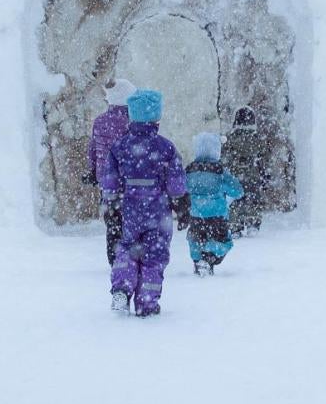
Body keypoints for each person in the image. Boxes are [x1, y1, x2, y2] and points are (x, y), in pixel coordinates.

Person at [97, 88, 187, 317]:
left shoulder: (119, 147)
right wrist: (179, 200)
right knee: (154, 257)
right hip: (157, 212)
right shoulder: (166, 148)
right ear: (157, 117)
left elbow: (109, 182)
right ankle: (147, 300)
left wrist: (112, 200)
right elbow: (177, 186)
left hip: (130, 210)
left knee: (127, 249)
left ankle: (121, 288)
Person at [86, 78, 136, 266]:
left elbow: (93, 149)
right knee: (130, 219)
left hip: (106, 182)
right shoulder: (131, 123)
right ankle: (129, 255)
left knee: (113, 221)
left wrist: (93, 171)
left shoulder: (99, 122)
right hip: (128, 180)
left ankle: (114, 257)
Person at [184, 132, 243, 275]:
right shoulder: (219, 170)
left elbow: (181, 188)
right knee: (224, 242)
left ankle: (199, 260)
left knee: (195, 239)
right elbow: (237, 191)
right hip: (217, 215)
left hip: (196, 215)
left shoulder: (189, 169)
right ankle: (209, 257)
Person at [223, 106, 270, 236]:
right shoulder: (257, 140)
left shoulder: (229, 139)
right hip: (253, 176)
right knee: (253, 199)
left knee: (235, 201)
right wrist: (264, 176)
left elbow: (224, 159)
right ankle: (252, 223)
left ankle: (234, 225)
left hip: (234, 177)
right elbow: (263, 160)